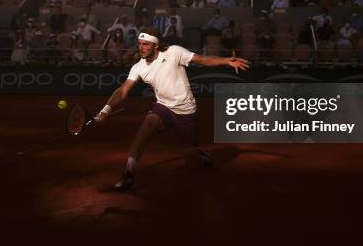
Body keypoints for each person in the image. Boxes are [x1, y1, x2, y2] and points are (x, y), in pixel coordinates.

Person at [94, 27, 250, 191]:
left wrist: (226, 61)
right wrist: (105, 110)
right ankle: (128, 174)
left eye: (146, 44)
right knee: (143, 131)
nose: (141, 47)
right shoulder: (138, 67)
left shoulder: (174, 52)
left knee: (191, 162)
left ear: (155, 45)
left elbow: (203, 60)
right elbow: (123, 90)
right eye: (140, 44)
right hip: (163, 106)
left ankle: (199, 156)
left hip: (185, 110)